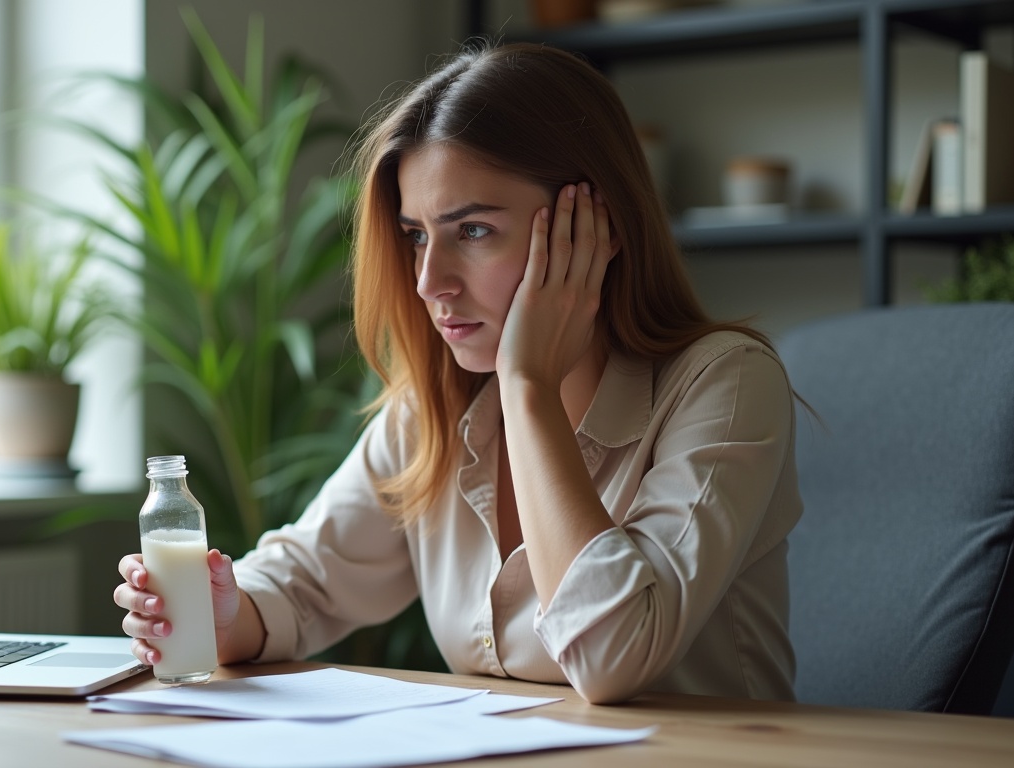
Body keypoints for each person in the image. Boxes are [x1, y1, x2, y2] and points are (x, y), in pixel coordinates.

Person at [114, 41, 803, 705]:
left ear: (598, 226)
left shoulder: (726, 385)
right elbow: (304, 582)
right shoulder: (435, 410)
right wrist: (224, 612)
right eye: (417, 234)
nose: (428, 282)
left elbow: (615, 655)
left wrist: (528, 387)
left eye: (472, 230)